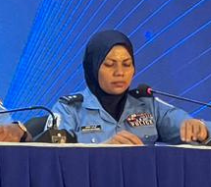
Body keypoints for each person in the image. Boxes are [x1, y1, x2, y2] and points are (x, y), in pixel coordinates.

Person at [49, 29, 209, 145]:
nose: (120, 72)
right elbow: (51, 155)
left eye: (126, 64)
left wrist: (201, 129)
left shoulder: (148, 106)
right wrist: (101, 151)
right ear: (93, 68)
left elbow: (191, 125)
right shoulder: (69, 109)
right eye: (109, 64)